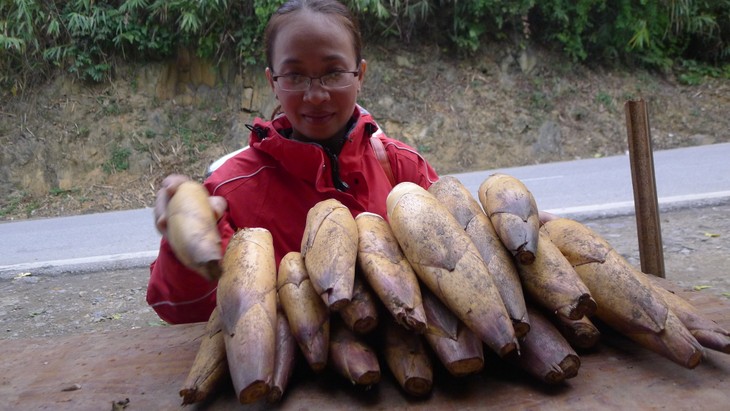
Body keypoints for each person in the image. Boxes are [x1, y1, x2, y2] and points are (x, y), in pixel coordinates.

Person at [146, 0, 440, 324]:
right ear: (273, 82)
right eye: (295, 75)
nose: (315, 95)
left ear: (360, 75)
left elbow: (451, 268)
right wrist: (183, 240)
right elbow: (182, 309)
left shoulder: (402, 169)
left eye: (333, 72)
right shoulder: (231, 189)